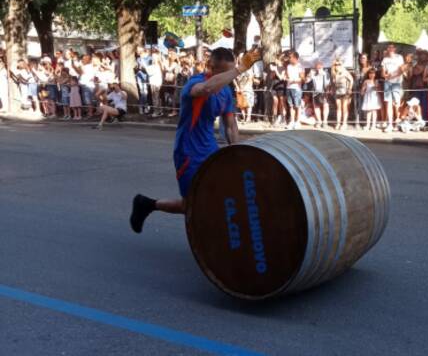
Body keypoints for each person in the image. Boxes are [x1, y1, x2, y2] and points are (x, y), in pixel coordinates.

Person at [129, 48, 260, 233]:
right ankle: (147, 204)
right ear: (210, 67)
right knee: (190, 204)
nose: (228, 78)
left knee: (219, 196)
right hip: (188, 151)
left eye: (230, 73)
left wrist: (236, 152)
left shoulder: (226, 93)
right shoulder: (195, 83)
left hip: (210, 150)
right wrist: (239, 69)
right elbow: (207, 89)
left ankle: (218, 235)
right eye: (225, 73)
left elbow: (230, 126)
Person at [381, 44, 405, 133]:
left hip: (397, 82)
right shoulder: (385, 59)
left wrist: (393, 75)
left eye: (392, 47)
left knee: (397, 103)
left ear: (395, 49)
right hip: (387, 82)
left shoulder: (399, 57)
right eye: (389, 47)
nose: (390, 49)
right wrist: (385, 75)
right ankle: (390, 124)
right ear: (387, 49)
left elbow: (401, 70)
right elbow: (383, 71)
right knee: (388, 103)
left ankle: (397, 122)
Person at [332, 59, 354, 130]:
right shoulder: (334, 73)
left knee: (344, 108)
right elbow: (334, 84)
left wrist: (350, 89)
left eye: (339, 64)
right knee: (338, 108)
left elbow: (351, 80)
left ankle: (344, 123)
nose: (337, 66)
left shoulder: (345, 72)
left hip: (345, 92)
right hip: (338, 92)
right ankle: (338, 123)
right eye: (336, 64)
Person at [285, 51, 304, 129]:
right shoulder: (288, 66)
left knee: (297, 106)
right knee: (291, 105)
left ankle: (297, 121)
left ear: (295, 58)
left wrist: (294, 81)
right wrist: (286, 78)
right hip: (289, 87)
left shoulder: (300, 66)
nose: (289, 59)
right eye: (289, 57)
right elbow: (287, 76)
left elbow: (303, 78)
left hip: (296, 88)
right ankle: (292, 121)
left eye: (290, 57)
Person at [309, 61, 331, 128]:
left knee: (325, 106)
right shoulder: (313, 74)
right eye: (317, 67)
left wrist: (327, 92)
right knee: (316, 107)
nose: (318, 68)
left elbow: (328, 84)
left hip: (323, 92)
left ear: (322, 67)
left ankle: (325, 122)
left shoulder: (326, 73)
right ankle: (319, 121)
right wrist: (309, 74)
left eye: (319, 67)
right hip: (315, 92)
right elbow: (307, 80)